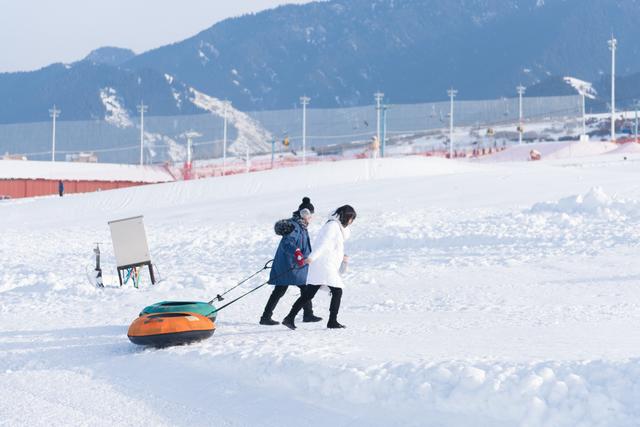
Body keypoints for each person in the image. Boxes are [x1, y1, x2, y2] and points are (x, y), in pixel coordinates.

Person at [283, 205, 357, 330]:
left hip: (325, 265)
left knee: (309, 294)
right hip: (324, 265)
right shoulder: (332, 226)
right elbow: (323, 243)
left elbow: (332, 246)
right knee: (337, 291)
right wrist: (312, 257)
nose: (351, 221)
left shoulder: (336, 227)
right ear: (345, 216)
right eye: (351, 218)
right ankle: (332, 321)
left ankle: (289, 317)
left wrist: (341, 257)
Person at [259, 197, 322, 325]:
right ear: (305, 213)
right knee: (301, 288)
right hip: (290, 265)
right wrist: (298, 253)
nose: (311, 218)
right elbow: (288, 243)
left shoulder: (301, 225)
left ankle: (267, 317)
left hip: (295, 264)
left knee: (288, 289)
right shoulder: (295, 226)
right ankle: (307, 314)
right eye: (310, 214)